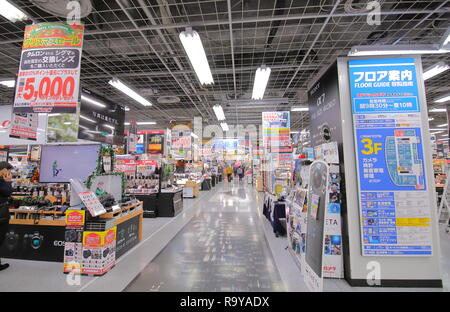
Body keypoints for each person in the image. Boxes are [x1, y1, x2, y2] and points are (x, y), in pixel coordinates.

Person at [0, 162, 13, 271]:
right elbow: (7, 192)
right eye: (8, 170)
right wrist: (8, 182)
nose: (9, 173)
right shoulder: (1, 181)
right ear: (3, 169)